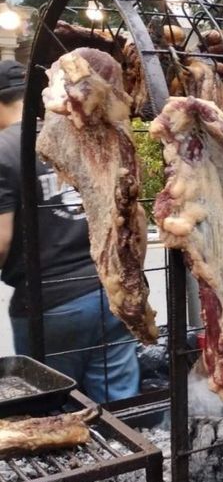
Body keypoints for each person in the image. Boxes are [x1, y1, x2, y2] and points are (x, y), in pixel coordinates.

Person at [0, 59, 139, 403]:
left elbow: (1, 243)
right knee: (121, 412)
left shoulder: (4, 150)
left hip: (51, 306)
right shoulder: (74, 132)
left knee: (54, 416)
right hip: (109, 293)